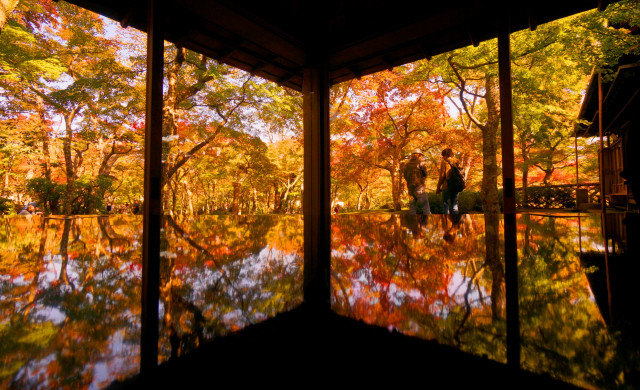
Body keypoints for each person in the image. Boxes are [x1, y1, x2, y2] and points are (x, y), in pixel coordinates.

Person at [403, 149, 430, 215]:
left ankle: (412, 223)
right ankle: (426, 223)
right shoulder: (421, 163)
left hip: (410, 188)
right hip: (419, 187)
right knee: (425, 206)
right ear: (419, 155)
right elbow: (425, 174)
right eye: (421, 155)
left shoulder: (407, 164)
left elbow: (405, 176)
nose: (421, 157)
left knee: (412, 206)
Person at [436, 148, 463, 214]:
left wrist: (438, 187)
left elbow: (442, 176)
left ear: (445, 155)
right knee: (455, 206)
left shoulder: (444, 162)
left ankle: (446, 222)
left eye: (443, 155)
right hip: (456, 186)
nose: (443, 157)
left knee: (446, 205)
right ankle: (456, 222)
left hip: (447, 186)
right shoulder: (458, 161)